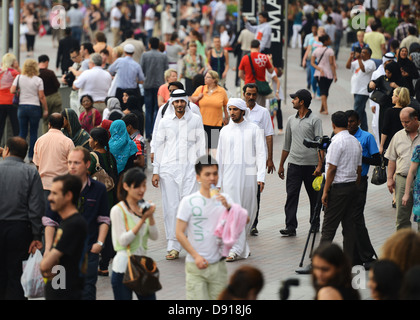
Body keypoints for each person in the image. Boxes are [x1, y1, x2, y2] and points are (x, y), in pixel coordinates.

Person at [43, 147, 110, 300]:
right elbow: (49, 220)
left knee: (87, 292)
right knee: (59, 291)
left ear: (87, 164)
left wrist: (99, 243)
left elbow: (104, 219)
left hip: (88, 251)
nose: (72, 166)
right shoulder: (59, 187)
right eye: (69, 162)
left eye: (76, 163)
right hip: (60, 252)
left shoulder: (98, 188)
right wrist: (48, 249)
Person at [152, 89, 205, 260]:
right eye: (177, 102)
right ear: (172, 103)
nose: (180, 104)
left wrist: (202, 170)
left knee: (190, 206)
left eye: (182, 101)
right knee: (171, 208)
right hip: (168, 170)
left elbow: (201, 145)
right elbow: (159, 146)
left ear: (186, 102)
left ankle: (191, 244)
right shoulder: (165, 121)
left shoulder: (195, 120)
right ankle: (173, 245)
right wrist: (155, 171)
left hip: (190, 169)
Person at [176, 155, 238, 300]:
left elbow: (237, 226)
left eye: (215, 174)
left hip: (218, 266)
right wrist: (196, 256)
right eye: (207, 174)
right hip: (195, 266)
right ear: (198, 177)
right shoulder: (188, 202)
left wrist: (229, 208)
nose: (212, 178)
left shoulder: (225, 199)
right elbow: (179, 233)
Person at [216, 98, 266, 262]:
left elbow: (260, 154)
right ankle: (235, 249)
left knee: (246, 210)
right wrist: (217, 181)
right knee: (232, 212)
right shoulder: (224, 131)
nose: (231, 113)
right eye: (229, 109)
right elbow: (220, 157)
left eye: (235, 109)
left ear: (243, 111)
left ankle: (241, 245)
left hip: (248, 177)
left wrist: (261, 177)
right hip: (229, 177)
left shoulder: (254, 129)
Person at [0, 137, 44, 300]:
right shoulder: (31, 172)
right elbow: (36, 206)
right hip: (19, 230)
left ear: (7, 150)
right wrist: (36, 235)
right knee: (16, 275)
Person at [278, 89, 323, 237]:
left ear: (302, 101)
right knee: (291, 196)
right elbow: (286, 144)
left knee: (314, 197)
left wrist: (320, 165)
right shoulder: (291, 119)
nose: (292, 101)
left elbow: (320, 144)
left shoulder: (315, 120)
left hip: (312, 166)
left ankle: (314, 223)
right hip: (294, 165)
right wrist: (281, 165)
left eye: (294, 98)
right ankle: (290, 226)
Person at [110, 167, 158, 300]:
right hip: (122, 268)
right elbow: (123, 241)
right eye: (137, 186)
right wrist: (143, 219)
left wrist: (151, 216)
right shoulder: (118, 210)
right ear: (126, 186)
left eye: (144, 185)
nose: (142, 190)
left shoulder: (144, 207)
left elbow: (154, 236)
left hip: (142, 266)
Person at [320, 111, 362, 261]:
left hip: (339, 188)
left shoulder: (336, 142)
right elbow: (359, 168)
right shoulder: (355, 141)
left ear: (333, 124)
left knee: (328, 227)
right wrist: (355, 186)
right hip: (352, 186)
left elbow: (331, 169)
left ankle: (320, 260)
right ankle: (349, 261)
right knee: (349, 227)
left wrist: (325, 191)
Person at [41, 174, 88, 300]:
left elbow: (45, 265)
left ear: (68, 196)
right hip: (58, 289)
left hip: (68, 293)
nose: (50, 198)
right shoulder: (65, 222)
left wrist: (47, 262)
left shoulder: (73, 225)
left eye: (55, 194)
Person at [345, 110, 380, 267]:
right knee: (350, 220)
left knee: (356, 218)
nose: (349, 124)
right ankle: (356, 256)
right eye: (347, 121)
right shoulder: (342, 137)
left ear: (359, 122)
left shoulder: (367, 137)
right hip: (344, 182)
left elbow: (377, 160)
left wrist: (359, 157)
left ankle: (366, 256)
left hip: (360, 182)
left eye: (352, 121)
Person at [242, 83, 275, 236]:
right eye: (248, 94)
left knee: (256, 190)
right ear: (244, 94)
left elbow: (269, 135)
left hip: (256, 159)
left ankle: (254, 223)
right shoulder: (237, 110)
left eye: (254, 94)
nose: (251, 97)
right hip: (240, 159)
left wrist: (270, 159)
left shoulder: (263, 112)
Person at [87, 127, 119, 276]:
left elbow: (85, 174)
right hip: (111, 197)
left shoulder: (92, 157)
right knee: (108, 229)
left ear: (96, 141)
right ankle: (104, 265)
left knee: (97, 229)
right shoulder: (110, 155)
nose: (89, 140)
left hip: (97, 198)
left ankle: (93, 265)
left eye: (91, 138)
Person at [385, 107, 420, 231]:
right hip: (402, 180)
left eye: (407, 122)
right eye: (402, 122)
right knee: (402, 218)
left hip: (419, 181)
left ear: (415, 119)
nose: (404, 125)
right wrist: (389, 178)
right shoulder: (398, 136)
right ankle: (404, 247)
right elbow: (391, 159)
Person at [33, 113, 75, 208]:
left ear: (49, 124)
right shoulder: (68, 142)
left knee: (47, 217)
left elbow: (37, 165)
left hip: (44, 185)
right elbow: (72, 165)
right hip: (62, 186)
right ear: (62, 125)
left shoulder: (39, 140)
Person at [10, 59, 48, 162]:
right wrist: (45, 109)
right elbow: (41, 96)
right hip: (34, 107)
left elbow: (12, 90)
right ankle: (31, 157)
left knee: (22, 132)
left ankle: (19, 155)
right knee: (33, 132)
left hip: (22, 107)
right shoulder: (38, 80)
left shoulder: (19, 77)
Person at [191, 70, 228, 153]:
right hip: (202, 124)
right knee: (204, 148)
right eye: (205, 76)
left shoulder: (221, 91)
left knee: (215, 149)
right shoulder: (201, 89)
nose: (205, 78)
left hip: (216, 124)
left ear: (214, 79)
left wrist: (226, 117)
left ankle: (215, 165)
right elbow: (191, 99)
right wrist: (197, 98)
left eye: (207, 77)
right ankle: (205, 165)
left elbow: (225, 105)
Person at [140, 37, 169, 141]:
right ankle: (156, 132)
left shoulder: (145, 55)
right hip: (159, 85)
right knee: (158, 109)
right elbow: (166, 70)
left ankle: (148, 134)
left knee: (148, 110)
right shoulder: (163, 56)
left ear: (150, 44)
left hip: (148, 84)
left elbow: (142, 69)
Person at [368, 60, 406, 139]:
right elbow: (372, 86)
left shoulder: (402, 80)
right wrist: (371, 84)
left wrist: (397, 87)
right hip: (384, 110)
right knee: (383, 129)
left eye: (389, 73)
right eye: (386, 72)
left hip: (397, 110)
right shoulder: (383, 79)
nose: (387, 74)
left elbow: (408, 93)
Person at [345, 47, 376, 131]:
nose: (361, 54)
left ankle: (355, 128)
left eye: (364, 52)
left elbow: (363, 69)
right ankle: (364, 128)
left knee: (357, 109)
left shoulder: (371, 63)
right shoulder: (357, 61)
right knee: (361, 110)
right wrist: (351, 57)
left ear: (369, 54)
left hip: (363, 91)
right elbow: (348, 66)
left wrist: (359, 59)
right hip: (356, 89)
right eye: (361, 52)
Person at [238, 40, 274, 106]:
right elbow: (271, 71)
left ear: (250, 47)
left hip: (248, 86)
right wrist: (270, 60)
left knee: (248, 108)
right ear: (259, 47)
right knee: (260, 108)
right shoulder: (264, 57)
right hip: (260, 88)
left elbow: (240, 74)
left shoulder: (245, 58)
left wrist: (246, 80)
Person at [108, 43, 145, 107]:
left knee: (120, 108)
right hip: (132, 91)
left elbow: (110, 70)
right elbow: (141, 80)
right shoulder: (136, 65)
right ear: (133, 52)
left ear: (124, 52)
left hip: (120, 91)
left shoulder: (119, 61)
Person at [310, 34, 337, 115]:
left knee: (323, 91)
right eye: (329, 39)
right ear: (325, 41)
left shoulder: (316, 50)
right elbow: (332, 64)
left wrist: (319, 68)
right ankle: (326, 109)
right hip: (329, 74)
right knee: (325, 91)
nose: (330, 40)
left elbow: (312, 62)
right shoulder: (330, 51)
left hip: (319, 74)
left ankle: (322, 108)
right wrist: (335, 75)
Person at [380, 87, 410, 155]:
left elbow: (385, 130)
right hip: (406, 143)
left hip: (392, 143)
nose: (392, 97)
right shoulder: (409, 111)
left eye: (394, 95)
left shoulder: (389, 111)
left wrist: (381, 145)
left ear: (398, 97)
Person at [38, 55, 63, 134]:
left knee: (46, 122)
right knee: (56, 120)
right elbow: (57, 85)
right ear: (47, 62)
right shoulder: (50, 73)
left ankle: (45, 137)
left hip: (43, 99)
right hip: (54, 97)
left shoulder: (36, 74)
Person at [0, 53, 20, 143]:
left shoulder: (0, 72)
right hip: (12, 102)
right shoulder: (15, 73)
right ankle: (16, 146)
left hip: (0, 102)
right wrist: (18, 67)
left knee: (0, 126)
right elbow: (23, 79)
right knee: (15, 125)